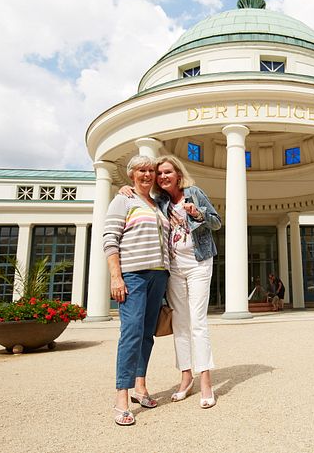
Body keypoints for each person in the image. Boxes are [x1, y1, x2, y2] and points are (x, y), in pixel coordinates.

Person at [124, 154, 221, 409]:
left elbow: (216, 222)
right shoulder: (160, 202)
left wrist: (197, 214)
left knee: (198, 322)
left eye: (168, 172)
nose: (163, 176)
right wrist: (126, 188)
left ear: (178, 174)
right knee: (180, 323)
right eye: (160, 173)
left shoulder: (194, 193)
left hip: (199, 263)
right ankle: (186, 376)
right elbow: (139, 200)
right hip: (174, 268)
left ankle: (205, 381)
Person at [103, 155, 170, 426]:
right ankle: (122, 396)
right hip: (133, 274)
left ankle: (140, 387)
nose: (147, 174)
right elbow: (110, 238)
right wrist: (116, 277)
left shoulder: (158, 204)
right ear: (132, 174)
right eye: (142, 170)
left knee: (146, 335)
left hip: (158, 275)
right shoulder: (123, 199)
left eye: (151, 170)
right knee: (130, 333)